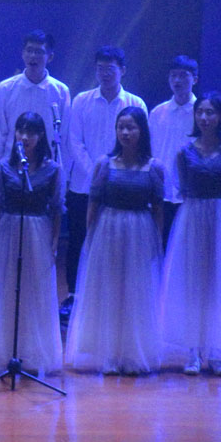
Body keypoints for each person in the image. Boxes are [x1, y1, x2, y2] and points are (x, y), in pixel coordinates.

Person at [65, 107, 164, 375]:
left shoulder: (154, 167)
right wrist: (91, 237)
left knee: (135, 293)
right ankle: (109, 352)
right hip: (109, 230)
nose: (125, 132)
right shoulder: (104, 164)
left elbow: (157, 208)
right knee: (109, 291)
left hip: (139, 232)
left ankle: (131, 353)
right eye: (121, 127)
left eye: (131, 127)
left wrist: (156, 242)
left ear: (142, 130)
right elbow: (93, 203)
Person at [64, 47, 148, 318]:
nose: (104, 73)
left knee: (116, 243)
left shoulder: (135, 103)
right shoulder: (81, 100)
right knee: (79, 239)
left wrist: (112, 176)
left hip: (122, 186)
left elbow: (142, 144)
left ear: (122, 70)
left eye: (110, 68)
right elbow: (74, 142)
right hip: (83, 186)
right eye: (100, 68)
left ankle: (114, 297)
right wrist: (97, 175)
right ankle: (74, 296)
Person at [0, 112, 63, 376]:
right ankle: (6, 352)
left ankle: (33, 354)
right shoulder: (3, 167)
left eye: (31, 132)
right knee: (9, 291)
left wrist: (54, 243)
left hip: (38, 232)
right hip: (9, 231)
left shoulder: (52, 169)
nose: (25, 137)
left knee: (34, 293)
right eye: (21, 131)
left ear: (41, 136)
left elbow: (57, 209)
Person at [161, 92, 221, 375]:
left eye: (211, 112)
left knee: (216, 283)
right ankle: (193, 350)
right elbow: (182, 188)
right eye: (200, 112)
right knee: (194, 282)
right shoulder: (184, 152)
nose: (205, 118)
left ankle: (216, 348)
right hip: (194, 217)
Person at [0, 30, 70, 163]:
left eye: (39, 52)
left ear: (50, 57)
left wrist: (62, 170)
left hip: (47, 166)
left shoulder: (61, 91)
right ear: (23, 54)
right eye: (29, 51)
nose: (33, 56)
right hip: (11, 164)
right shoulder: (5, 88)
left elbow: (64, 136)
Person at [149, 55, 198, 246]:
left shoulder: (202, 113)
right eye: (173, 75)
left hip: (192, 194)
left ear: (195, 79)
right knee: (160, 246)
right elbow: (149, 152)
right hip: (162, 193)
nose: (177, 80)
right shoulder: (157, 113)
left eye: (183, 75)